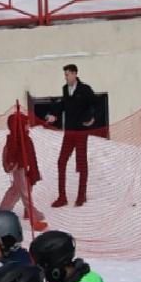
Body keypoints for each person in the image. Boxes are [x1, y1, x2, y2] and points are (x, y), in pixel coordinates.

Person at [49, 65, 103, 209]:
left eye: (67, 74)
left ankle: (81, 195)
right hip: (69, 132)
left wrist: (93, 118)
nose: (65, 77)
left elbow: (98, 104)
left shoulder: (85, 89)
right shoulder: (65, 89)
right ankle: (62, 197)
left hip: (81, 132)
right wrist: (55, 115)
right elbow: (63, 105)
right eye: (65, 75)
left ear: (74, 74)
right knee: (61, 162)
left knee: (81, 162)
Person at [0, 103, 46, 229]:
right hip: (19, 168)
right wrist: (13, 163)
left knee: (18, 189)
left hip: (26, 167)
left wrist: (33, 169)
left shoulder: (26, 138)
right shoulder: (14, 140)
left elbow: (31, 154)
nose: (28, 125)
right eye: (26, 123)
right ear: (19, 126)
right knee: (24, 192)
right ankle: (34, 218)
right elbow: (11, 153)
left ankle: (4, 211)